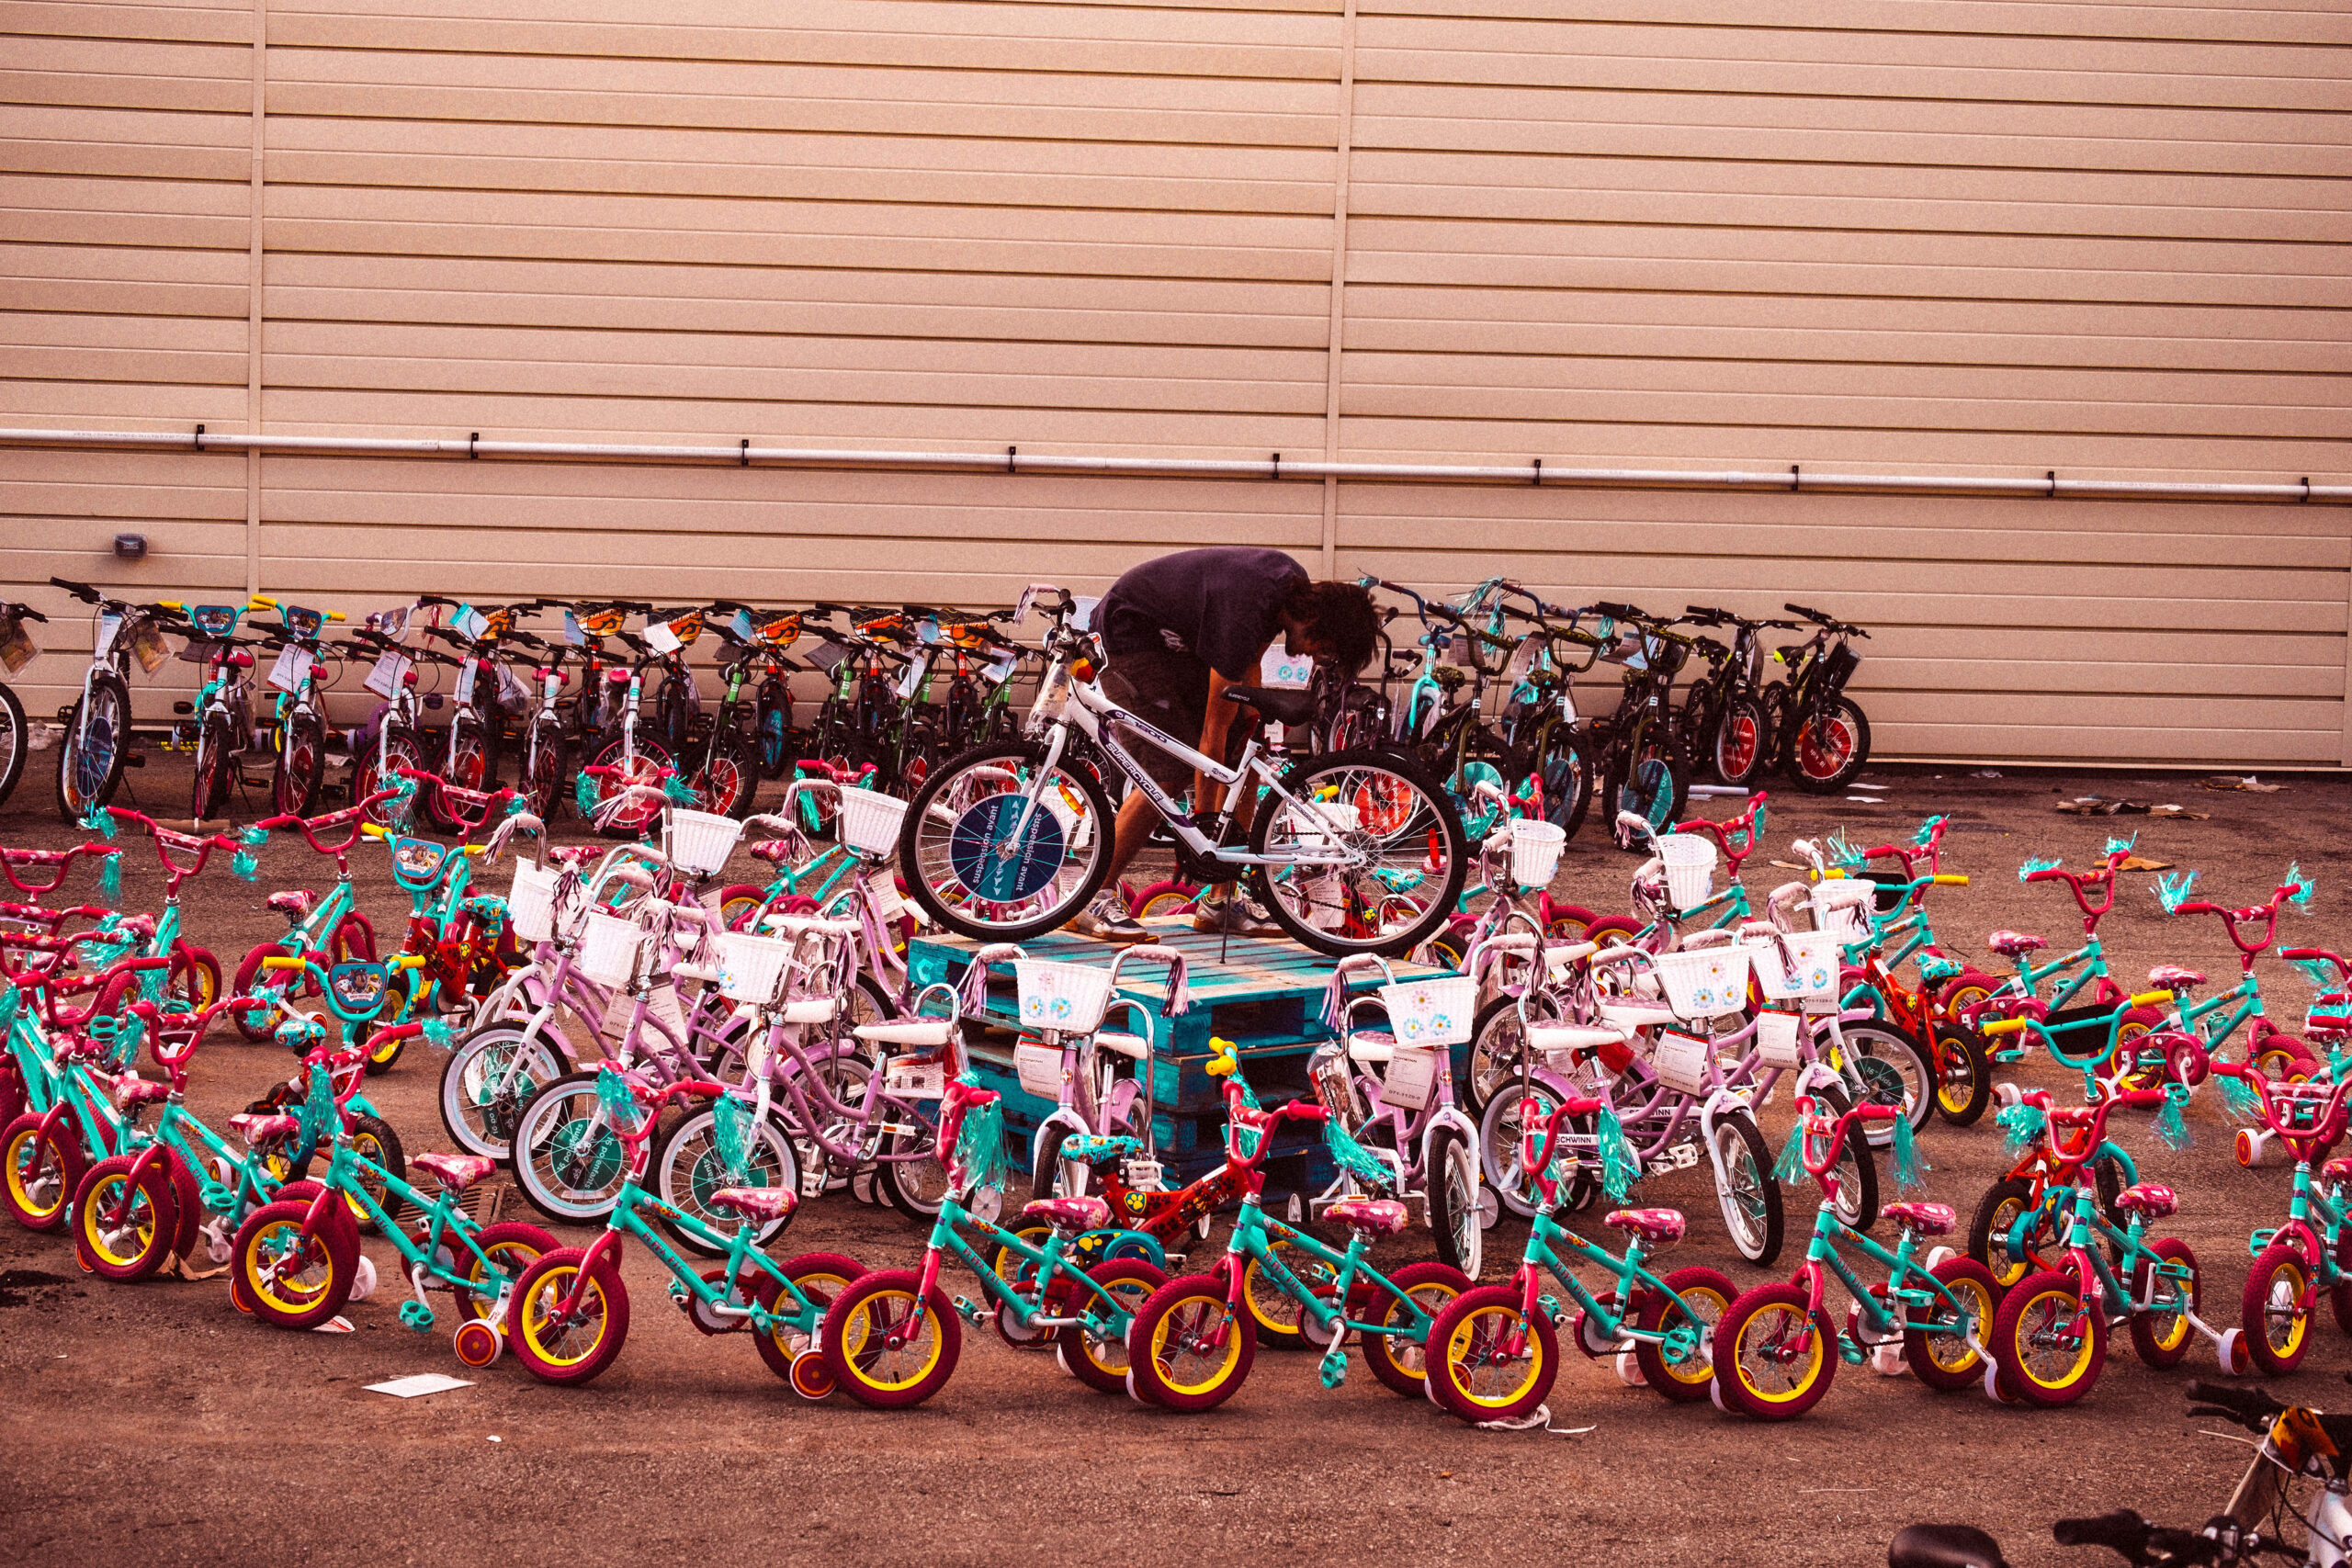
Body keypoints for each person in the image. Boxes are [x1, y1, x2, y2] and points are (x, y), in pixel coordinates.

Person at [1068, 547, 1378, 943]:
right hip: (1129, 639)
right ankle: (1094, 896)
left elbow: (1248, 664)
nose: (1312, 657)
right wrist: (1205, 829)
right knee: (1167, 770)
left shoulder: (1287, 588)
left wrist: (1249, 729)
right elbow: (1211, 736)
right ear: (1319, 620)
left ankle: (1222, 902)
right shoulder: (1244, 610)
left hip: (1179, 647)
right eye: (1325, 649)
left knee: (1245, 752)